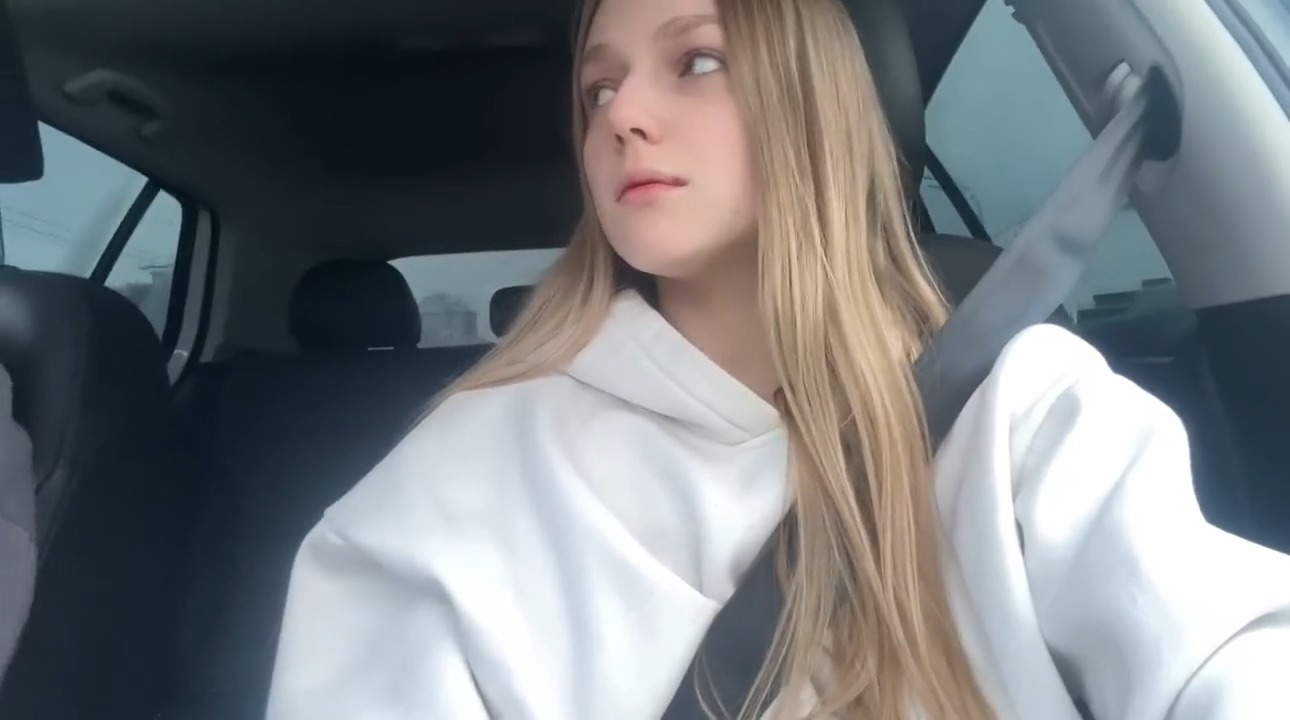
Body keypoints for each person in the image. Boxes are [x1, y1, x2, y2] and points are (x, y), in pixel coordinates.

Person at [265, 0, 1290, 717]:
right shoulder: (452, 492)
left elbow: (1222, 648)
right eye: (597, 88)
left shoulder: (1019, 409)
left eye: (696, 62)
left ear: (810, 101)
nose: (620, 114)